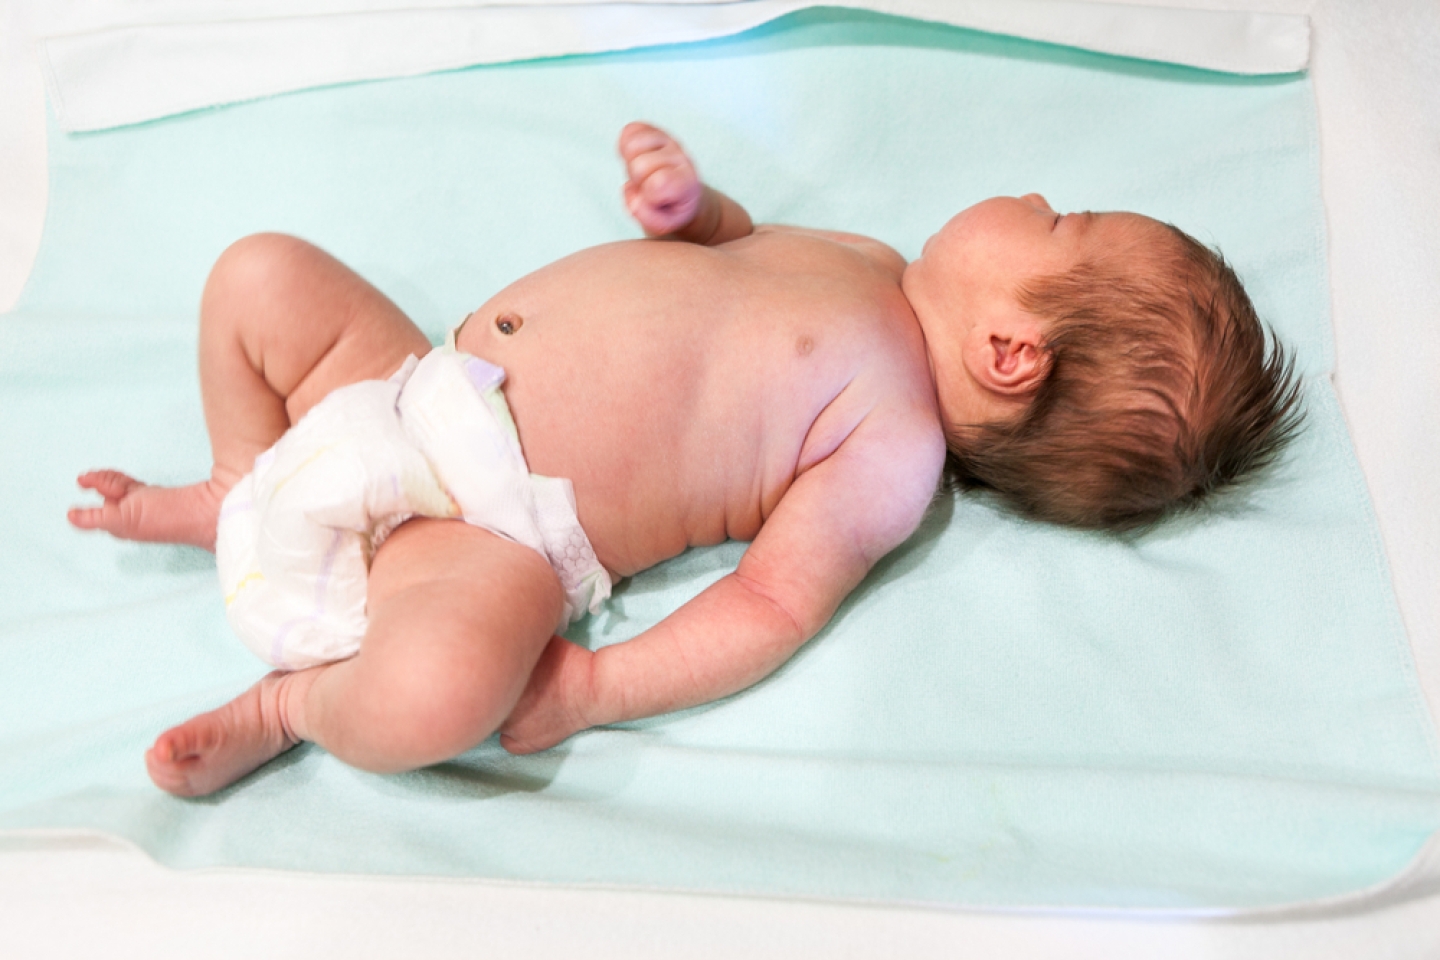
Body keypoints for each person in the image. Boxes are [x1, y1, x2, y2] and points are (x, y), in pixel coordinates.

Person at [66, 122, 1301, 797]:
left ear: (1010, 353)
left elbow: (770, 604)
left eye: (1057, 220)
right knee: (258, 271)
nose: (1030, 191)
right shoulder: (869, 258)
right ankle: (242, 481)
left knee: (439, 698)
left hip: (489, 528)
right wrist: (685, 209)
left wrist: (602, 690)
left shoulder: (894, 449)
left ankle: (290, 707)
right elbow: (735, 246)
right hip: (402, 388)